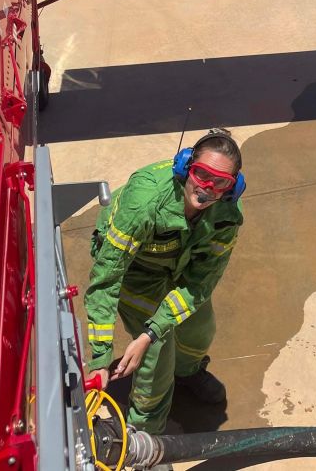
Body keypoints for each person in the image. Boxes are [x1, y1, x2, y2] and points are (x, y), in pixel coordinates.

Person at [83, 128, 244, 437]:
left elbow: (201, 280)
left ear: (232, 187)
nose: (208, 188)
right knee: (156, 359)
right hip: (137, 272)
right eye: (201, 174)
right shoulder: (144, 202)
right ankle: (145, 435)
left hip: (180, 267)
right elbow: (107, 279)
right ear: (186, 167)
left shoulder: (227, 215)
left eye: (221, 182)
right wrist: (101, 358)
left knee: (200, 328)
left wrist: (150, 332)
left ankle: (187, 373)